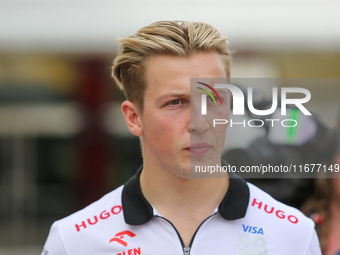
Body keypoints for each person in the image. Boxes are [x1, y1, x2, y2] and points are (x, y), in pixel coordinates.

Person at [41, 21, 321, 255]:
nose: (199, 123)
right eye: (176, 102)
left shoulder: (293, 235)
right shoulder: (74, 240)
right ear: (133, 118)